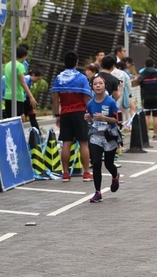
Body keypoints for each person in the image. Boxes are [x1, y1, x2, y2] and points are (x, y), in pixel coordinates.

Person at [51, 51, 93, 182]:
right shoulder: (81, 78)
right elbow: (86, 97)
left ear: (64, 63)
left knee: (66, 143)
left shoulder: (59, 78)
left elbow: (55, 98)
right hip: (80, 113)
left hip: (65, 113)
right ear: (77, 62)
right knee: (84, 143)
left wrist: (57, 114)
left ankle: (65, 174)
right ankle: (86, 173)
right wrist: (90, 112)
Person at [85, 75, 121, 203]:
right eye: (95, 84)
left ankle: (115, 176)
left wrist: (104, 118)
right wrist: (88, 118)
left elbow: (118, 120)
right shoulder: (90, 103)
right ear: (92, 87)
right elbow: (91, 119)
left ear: (105, 85)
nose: (98, 86)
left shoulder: (111, 102)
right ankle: (97, 192)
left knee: (108, 163)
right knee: (96, 163)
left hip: (109, 135)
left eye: (100, 83)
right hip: (96, 135)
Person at [3, 45, 38, 119]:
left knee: (10, 119)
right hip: (18, 96)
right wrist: (31, 97)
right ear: (24, 56)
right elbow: (23, 82)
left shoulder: (8, 65)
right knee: (21, 117)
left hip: (8, 96)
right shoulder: (20, 66)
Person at [137, 58, 157, 140]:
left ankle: (146, 135)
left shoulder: (142, 72)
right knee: (156, 116)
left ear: (145, 65)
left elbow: (139, 81)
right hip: (156, 96)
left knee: (147, 116)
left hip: (146, 97)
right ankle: (155, 135)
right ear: (154, 65)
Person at [22, 69, 44, 134]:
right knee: (30, 115)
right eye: (37, 79)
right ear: (33, 75)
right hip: (23, 100)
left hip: (25, 100)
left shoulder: (29, 81)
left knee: (32, 115)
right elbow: (24, 93)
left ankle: (38, 133)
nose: (37, 81)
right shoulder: (26, 80)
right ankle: (38, 133)